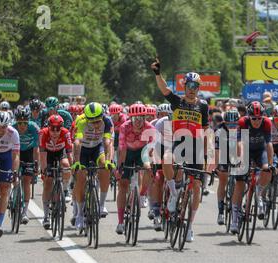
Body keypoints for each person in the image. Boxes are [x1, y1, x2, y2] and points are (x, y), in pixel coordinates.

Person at [151, 58, 209, 243]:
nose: (192, 88)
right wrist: (158, 74)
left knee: (197, 186)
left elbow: (206, 130)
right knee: (167, 160)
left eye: (195, 86)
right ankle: (173, 195)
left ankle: (190, 226)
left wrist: (209, 154)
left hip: (196, 146)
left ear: (198, 88)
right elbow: (163, 90)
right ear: (185, 86)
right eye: (189, 85)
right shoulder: (177, 101)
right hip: (177, 141)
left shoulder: (203, 106)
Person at [230, 101, 274, 234]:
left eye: (259, 118)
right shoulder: (243, 122)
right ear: (249, 117)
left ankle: (259, 193)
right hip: (246, 150)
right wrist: (240, 160)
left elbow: (269, 144)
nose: (256, 121)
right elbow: (240, 143)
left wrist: (270, 164)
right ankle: (235, 218)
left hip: (260, 151)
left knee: (267, 169)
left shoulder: (267, 123)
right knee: (240, 183)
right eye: (253, 118)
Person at [72, 103, 114, 232]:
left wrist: (108, 161)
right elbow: (77, 143)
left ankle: (101, 205)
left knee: (105, 167)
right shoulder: (81, 121)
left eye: (98, 121)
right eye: (92, 121)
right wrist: (77, 162)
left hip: (97, 147)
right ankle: (79, 214)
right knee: (80, 178)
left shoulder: (107, 121)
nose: (96, 125)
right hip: (83, 149)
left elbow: (107, 142)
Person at [115, 104, 155, 234]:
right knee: (123, 184)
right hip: (127, 152)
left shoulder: (149, 128)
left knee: (149, 168)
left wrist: (150, 164)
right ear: (130, 118)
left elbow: (150, 149)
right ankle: (120, 222)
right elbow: (122, 148)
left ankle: (142, 194)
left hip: (142, 151)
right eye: (135, 119)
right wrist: (120, 167)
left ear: (145, 118)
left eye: (141, 118)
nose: (138, 122)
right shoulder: (124, 127)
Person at [39, 115, 73, 229]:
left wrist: (73, 168)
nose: (55, 131)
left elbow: (69, 153)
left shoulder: (66, 133)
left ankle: (65, 189)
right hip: (48, 154)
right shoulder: (43, 133)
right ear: (48, 127)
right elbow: (42, 155)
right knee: (48, 183)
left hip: (60, 152)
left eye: (58, 128)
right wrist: (44, 171)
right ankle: (46, 216)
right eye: (52, 128)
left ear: (61, 128)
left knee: (66, 166)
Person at [13, 105, 40, 224]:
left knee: (27, 181)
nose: (22, 126)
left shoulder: (34, 128)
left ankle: (24, 212)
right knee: (14, 177)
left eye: (25, 123)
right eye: (20, 123)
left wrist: (36, 165)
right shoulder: (12, 128)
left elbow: (36, 149)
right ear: (16, 121)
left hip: (29, 152)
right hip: (15, 151)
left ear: (28, 121)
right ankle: (13, 194)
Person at [215, 108, 240, 225]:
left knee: (242, 179)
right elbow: (216, 151)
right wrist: (216, 166)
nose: (231, 126)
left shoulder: (241, 129)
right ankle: (221, 211)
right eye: (229, 123)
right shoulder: (219, 131)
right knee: (223, 179)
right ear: (224, 122)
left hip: (236, 153)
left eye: (234, 124)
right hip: (223, 153)